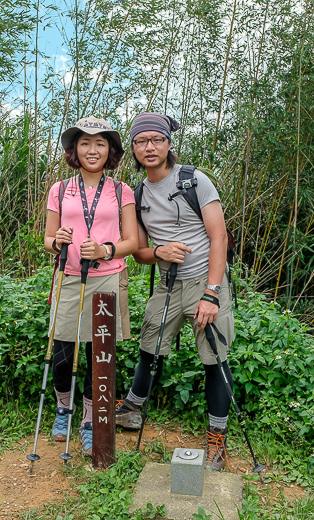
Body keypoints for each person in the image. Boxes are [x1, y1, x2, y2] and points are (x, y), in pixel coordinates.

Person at [115, 112, 235, 471]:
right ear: (133, 148)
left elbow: (220, 236)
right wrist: (159, 252)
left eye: (156, 140)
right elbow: (138, 251)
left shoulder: (194, 180)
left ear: (169, 143)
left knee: (215, 359)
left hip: (205, 281)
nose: (149, 147)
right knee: (150, 347)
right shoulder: (136, 194)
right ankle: (133, 408)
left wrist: (212, 294)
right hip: (168, 283)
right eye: (140, 141)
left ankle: (217, 439)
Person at [44, 116, 138, 456]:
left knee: (99, 353)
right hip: (69, 277)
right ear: (75, 149)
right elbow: (47, 239)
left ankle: (88, 418)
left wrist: (104, 250)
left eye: (100, 143)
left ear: (110, 150)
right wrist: (59, 242)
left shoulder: (120, 189)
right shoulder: (59, 188)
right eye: (85, 142)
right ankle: (62, 409)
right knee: (63, 351)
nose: (92, 149)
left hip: (108, 278)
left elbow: (132, 240)